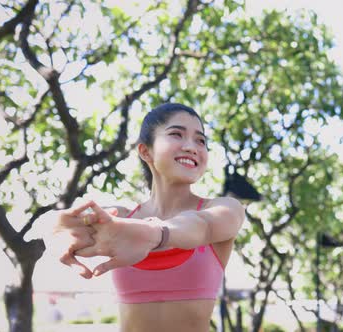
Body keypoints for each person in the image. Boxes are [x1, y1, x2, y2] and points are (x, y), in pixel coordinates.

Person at [45, 103, 245, 332]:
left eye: (201, 140)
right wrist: (55, 231)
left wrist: (155, 234)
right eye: (176, 134)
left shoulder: (225, 209)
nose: (192, 146)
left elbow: (202, 226)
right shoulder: (118, 218)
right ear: (145, 151)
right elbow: (62, 226)